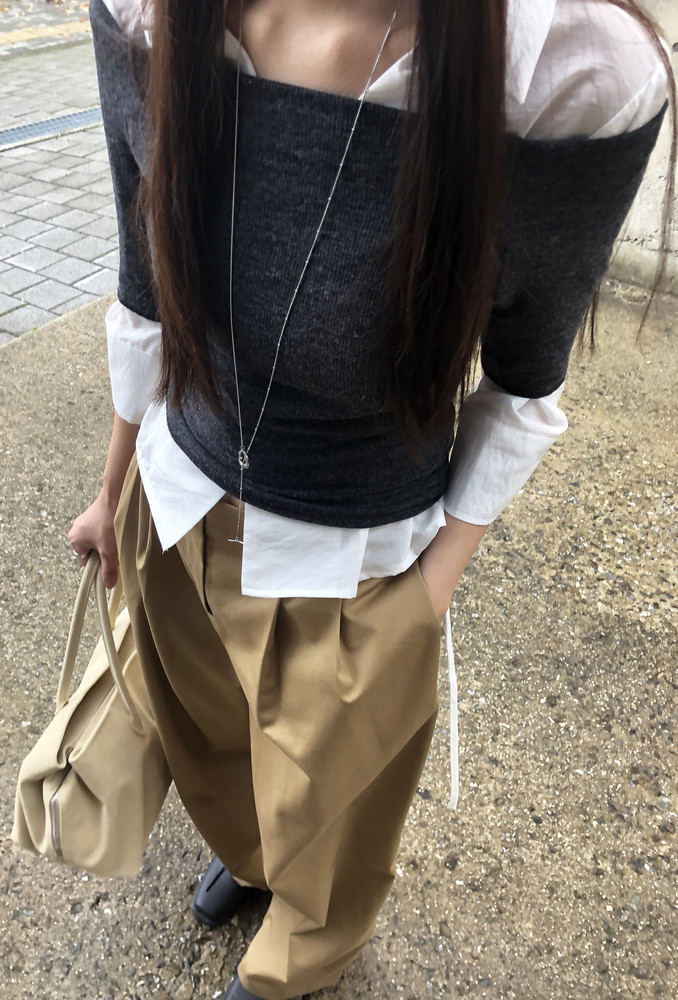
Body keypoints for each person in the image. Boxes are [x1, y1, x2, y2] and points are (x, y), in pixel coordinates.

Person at [70, 1, 673, 997]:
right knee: (212, 746)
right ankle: (257, 859)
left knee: (342, 810)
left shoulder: (565, 80)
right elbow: (146, 285)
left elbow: (522, 385)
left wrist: (420, 606)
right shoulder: (143, 12)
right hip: (173, 507)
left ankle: (301, 956)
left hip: (352, 556)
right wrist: (111, 493)